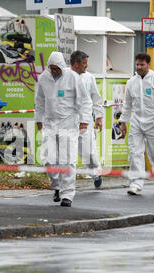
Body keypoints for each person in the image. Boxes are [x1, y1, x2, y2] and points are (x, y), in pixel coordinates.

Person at [35, 52, 92, 207]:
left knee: (67, 161)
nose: (54, 72)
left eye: (57, 69)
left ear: (62, 66)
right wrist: (38, 119)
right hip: (50, 124)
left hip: (69, 123)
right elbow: (39, 101)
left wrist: (84, 120)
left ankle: (68, 194)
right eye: (52, 69)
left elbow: (85, 100)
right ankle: (57, 187)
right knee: (48, 160)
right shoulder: (43, 79)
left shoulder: (73, 77)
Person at [119, 52, 154, 195]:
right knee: (134, 153)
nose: (139, 67)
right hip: (136, 122)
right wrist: (123, 122)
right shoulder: (131, 82)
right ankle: (136, 184)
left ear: (149, 65)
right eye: (137, 64)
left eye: (142, 65)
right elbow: (128, 104)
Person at [70, 50, 104, 188]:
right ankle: (65, 182)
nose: (86, 66)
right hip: (68, 121)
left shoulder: (89, 78)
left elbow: (95, 98)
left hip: (85, 121)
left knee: (88, 151)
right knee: (67, 152)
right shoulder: (65, 76)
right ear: (76, 63)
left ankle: (96, 172)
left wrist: (99, 117)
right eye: (84, 63)